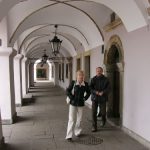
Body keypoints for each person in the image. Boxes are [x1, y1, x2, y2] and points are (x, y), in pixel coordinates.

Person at [66, 70, 91, 142]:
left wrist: (85, 98)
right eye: (79, 75)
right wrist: (71, 97)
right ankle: (69, 136)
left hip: (80, 104)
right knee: (71, 119)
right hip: (73, 103)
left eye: (82, 75)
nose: (81, 76)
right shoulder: (73, 83)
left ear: (83, 76)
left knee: (79, 120)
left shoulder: (85, 84)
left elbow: (89, 92)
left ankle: (77, 132)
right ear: (77, 76)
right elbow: (67, 91)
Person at [90, 67, 110, 132]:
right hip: (95, 98)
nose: (98, 72)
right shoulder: (93, 79)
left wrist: (103, 92)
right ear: (96, 72)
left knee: (103, 112)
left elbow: (109, 88)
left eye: (100, 71)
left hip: (103, 98)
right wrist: (96, 92)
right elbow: (90, 88)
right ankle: (94, 126)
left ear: (102, 71)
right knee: (94, 112)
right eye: (97, 71)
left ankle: (103, 120)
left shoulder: (106, 79)